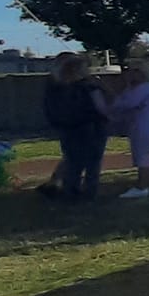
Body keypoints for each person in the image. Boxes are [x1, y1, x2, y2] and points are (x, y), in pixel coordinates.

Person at [42, 53, 109, 201]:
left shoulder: (54, 86)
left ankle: (70, 191)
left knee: (73, 161)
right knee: (92, 161)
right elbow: (101, 108)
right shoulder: (88, 86)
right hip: (90, 126)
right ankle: (89, 192)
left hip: (67, 128)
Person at [108, 59, 149, 198]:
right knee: (143, 154)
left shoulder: (147, 87)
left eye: (135, 71)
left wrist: (117, 103)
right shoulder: (134, 88)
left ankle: (142, 186)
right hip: (138, 123)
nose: (130, 74)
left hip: (145, 123)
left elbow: (129, 103)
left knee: (143, 155)